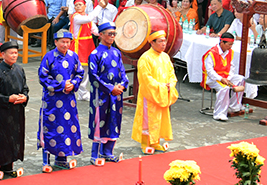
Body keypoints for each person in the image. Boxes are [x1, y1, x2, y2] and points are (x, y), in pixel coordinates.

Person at [37, 30, 84, 170]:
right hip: (52, 99)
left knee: (67, 126)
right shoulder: (49, 56)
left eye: (67, 42)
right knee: (50, 126)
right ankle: (46, 160)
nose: (65, 44)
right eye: (62, 42)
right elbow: (43, 77)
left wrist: (74, 83)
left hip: (69, 99)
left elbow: (80, 73)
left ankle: (62, 158)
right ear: (56, 42)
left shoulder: (73, 56)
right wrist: (61, 85)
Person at [132, 30, 178, 153]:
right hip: (150, 94)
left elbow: (171, 74)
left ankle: (155, 141)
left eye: (165, 41)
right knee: (148, 119)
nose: (164, 44)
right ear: (152, 43)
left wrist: (170, 85)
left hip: (162, 93)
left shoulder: (166, 56)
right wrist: (162, 86)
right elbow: (146, 79)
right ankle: (145, 143)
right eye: (160, 41)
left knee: (160, 118)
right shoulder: (145, 58)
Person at [87, 22, 128, 164]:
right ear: (100, 35)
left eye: (114, 34)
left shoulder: (117, 52)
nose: (112, 37)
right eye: (109, 34)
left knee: (114, 120)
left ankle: (108, 151)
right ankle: (95, 154)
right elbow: (93, 76)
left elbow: (122, 71)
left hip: (116, 95)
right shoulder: (95, 54)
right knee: (100, 121)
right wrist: (111, 88)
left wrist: (122, 85)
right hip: (101, 95)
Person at [0, 40, 29, 179]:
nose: (14, 55)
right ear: (3, 54)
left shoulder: (19, 69)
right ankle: (0, 165)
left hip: (18, 110)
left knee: (15, 137)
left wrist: (24, 97)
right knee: (3, 138)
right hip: (3, 111)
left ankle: (10, 166)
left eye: (16, 53)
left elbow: (25, 88)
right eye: (11, 53)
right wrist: (7, 99)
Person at [202, 32, 246, 122]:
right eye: (229, 44)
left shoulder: (230, 52)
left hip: (225, 77)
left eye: (231, 44)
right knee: (224, 88)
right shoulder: (211, 53)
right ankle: (219, 113)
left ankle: (234, 106)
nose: (230, 47)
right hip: (213, 79)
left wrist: (228, 78)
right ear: (222, 42)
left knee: (241, 79)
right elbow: (210, 71)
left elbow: (232, 67)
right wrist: (221, 79)